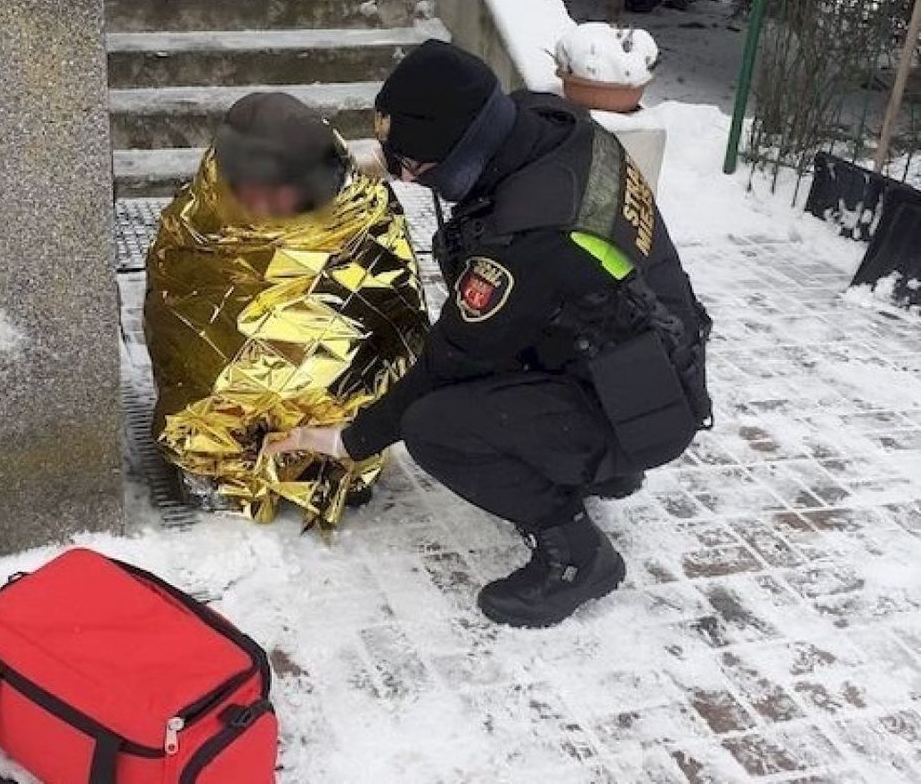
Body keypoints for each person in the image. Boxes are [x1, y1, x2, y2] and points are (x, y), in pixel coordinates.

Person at [265, 41, 711, 628]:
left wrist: (349, 440)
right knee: (546, 329)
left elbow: (449, 358)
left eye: (412, 169)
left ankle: (577, 555)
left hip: (643, 410)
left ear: (460, 159)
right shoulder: (551, 125)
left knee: (436, 427)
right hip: (649, 355)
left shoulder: (530, 239)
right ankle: (603, 464)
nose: (402, 175)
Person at [143, 92, 428, 529]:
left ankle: (335, 451)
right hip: (230, 378)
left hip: (331, 376)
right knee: (205, 368)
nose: (272, 205)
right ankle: (215, 457)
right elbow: (176, 312)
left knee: (349, 366)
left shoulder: (361, 210)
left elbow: (394, 309)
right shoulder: (200, 220)